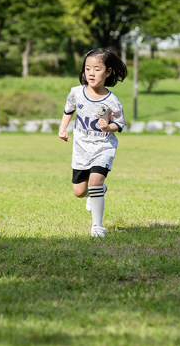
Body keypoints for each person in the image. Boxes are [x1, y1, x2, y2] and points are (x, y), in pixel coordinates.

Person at [58, 48, 127, 237]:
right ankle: (98, 190)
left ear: (108, 72)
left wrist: (108, 127)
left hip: (103, 147)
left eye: (97, 69)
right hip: (81, 149)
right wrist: (63, 128)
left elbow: (120, 124)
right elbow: (68, 109)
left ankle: (97, 226)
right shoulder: (76, 93)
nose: (91, 73)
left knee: (95, 182)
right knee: (79, 192)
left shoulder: (112, 101)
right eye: (88, 68)